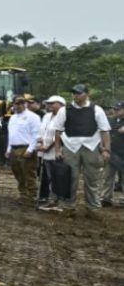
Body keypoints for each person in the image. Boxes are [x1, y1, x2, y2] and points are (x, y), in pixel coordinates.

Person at [47, 84, 112, 212]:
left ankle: (93, 207)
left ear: (87, 94)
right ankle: (68, 205)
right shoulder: (64, 110)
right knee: (70, 178)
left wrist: (106, 149)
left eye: (79, 93)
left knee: (92, 179)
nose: (75, 95)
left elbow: (105, 131)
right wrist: (58, 150)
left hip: (91, 147)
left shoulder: (97, 109)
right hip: (70, 147)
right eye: (74, 93)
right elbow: (58, 131)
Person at [6, 97, 41, 205]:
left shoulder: (33, 117)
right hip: (14, 148)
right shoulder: (12, 118)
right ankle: (23, 194)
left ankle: (32, 196)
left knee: (29, 174)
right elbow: (10, 134)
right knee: (18, 173)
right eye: (15, 104)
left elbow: (36, 134)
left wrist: (31, 149)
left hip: (26, 147)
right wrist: (8, 149)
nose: (17, 106)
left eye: (20, 103)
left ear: (25, 104)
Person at [36, 96, 68, 210]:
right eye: (48, 103)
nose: (49, 105)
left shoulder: (65, 116)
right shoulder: (46, 116)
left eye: (52, 103)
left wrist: (48, 147)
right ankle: (51, 198)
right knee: (48, 176)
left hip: (57, 151)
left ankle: (59, 200)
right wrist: (40, 143)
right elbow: (41, 132)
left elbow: (61, 135)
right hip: (45, 152)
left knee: (58, 176)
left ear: (61, 104)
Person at [100, 101, 124, 207]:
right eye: (114, 109)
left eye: (118, 109)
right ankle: (106, 198)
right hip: (112, 152)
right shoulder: (111, 120)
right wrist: (104, 149)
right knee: (108, 176)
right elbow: (105, 133)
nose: (115, 111)